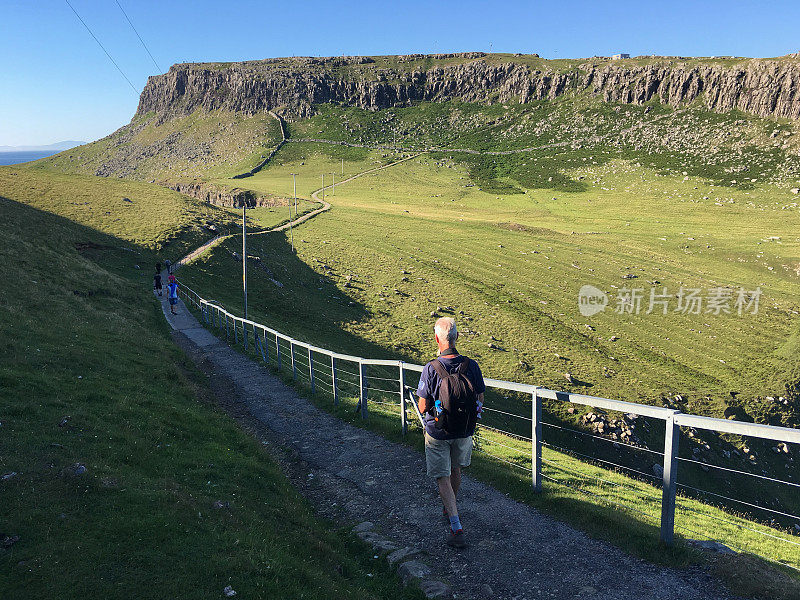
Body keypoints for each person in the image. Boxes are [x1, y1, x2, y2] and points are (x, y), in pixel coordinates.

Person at [416, 317, 485, 549]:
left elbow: (423, 406)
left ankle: (456, 527)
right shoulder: (472, 366)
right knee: (455, 469)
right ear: (457, 338)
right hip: (464, 430)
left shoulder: (430, 368)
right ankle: (450, 507)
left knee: (442, 477)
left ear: (437, 339)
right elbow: (480, 398)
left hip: (438, 431)